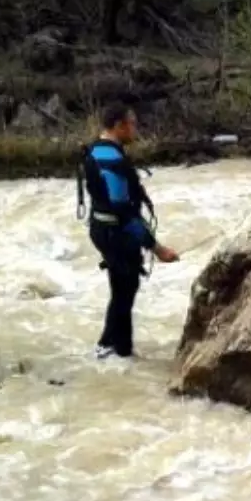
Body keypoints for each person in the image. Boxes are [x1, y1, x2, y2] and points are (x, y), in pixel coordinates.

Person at [77, 103, 180, 359]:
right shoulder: (111, 158)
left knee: (123, 289)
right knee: (124, 290)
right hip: (115, 232)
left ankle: (119, 351)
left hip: (103, 228)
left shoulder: (97, 151)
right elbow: (122, 210)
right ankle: (110, 348)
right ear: (119, 125)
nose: (136, 129)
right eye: (132, 124)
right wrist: (157, 248)